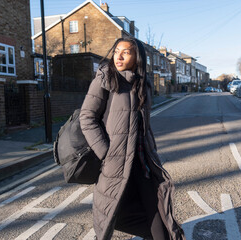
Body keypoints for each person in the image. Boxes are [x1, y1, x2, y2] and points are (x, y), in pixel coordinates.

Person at [79, 37, 185, 240]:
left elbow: (144, 126)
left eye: (125, 52)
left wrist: (151, 152)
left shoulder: (143, 85)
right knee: (114, 215)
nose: (118, 56)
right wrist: (105, 153)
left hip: (143, 163)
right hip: (116, 164)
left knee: (158, 216)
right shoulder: (105, 79)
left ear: (137, 58)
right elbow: (87, 118)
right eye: (116, 50)